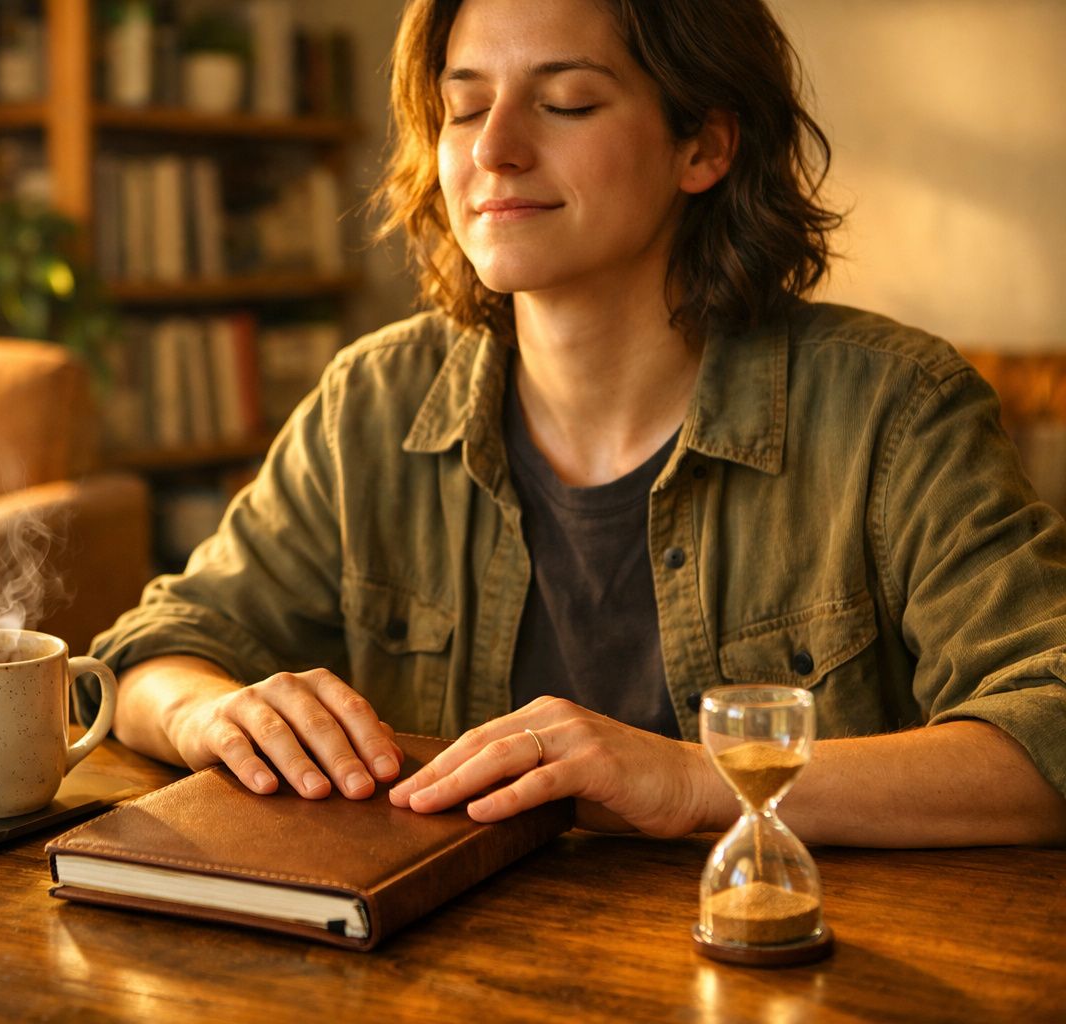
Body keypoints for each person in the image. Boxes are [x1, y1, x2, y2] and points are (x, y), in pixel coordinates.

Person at [89, 0, 1066, 846]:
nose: (492, 148)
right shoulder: (372, 404)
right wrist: (211, 712)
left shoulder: (893, 409)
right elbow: (152, 651)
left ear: (705, 144)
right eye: (465, 106)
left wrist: (696, 779)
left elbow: (1049, 723)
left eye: (566, 103)